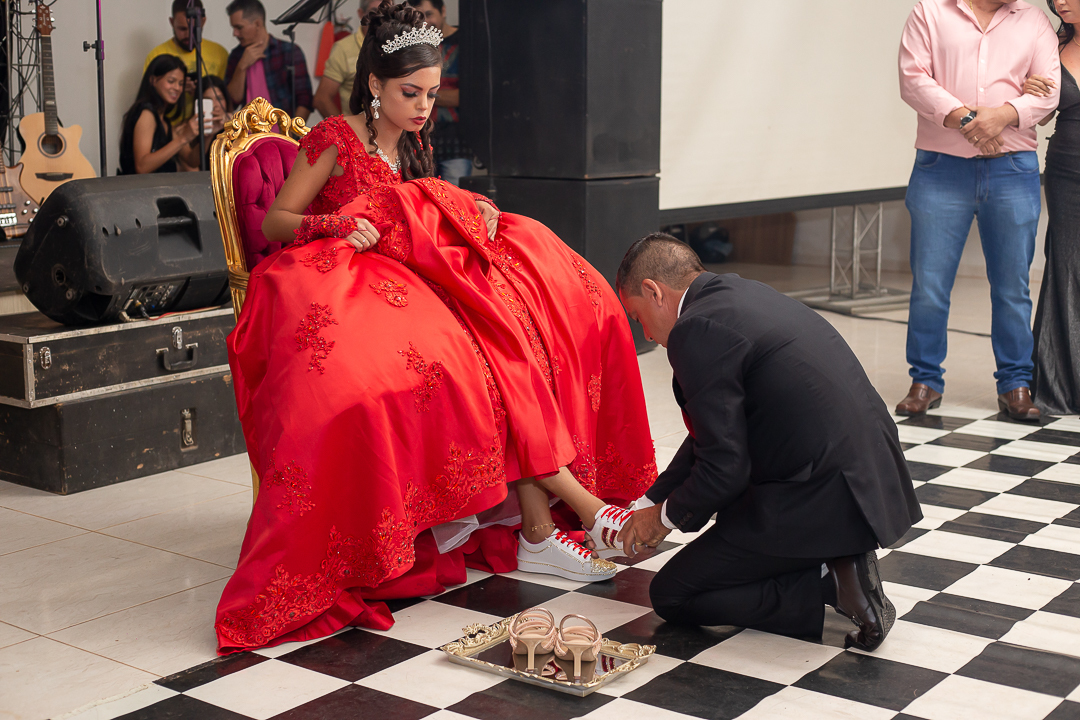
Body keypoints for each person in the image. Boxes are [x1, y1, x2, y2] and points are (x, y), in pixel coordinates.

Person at [214, 1, 656, 655]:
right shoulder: (333, 138)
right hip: (347, 280)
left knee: (521, 331)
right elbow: (276, 222)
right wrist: (334, 224)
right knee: (477, 350)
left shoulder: (409, 144)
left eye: (430, 92)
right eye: (409, 93)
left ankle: (538, 521)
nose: (424, 105)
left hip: (409, 285)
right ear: (374, 85)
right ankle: (573, 512)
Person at [615, 234, 922, 650]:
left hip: (817, 494)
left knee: (673, 594)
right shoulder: (738, 293)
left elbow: (724, 468)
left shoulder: (695, 330)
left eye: (638, 318)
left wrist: (663, 518)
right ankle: (838, 558)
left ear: (654, 291)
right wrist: (647, 502)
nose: (647, 335)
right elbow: (713, 435)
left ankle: (827, 585)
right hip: (863, 474)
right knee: (726, 533)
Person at [895, 0, 1061, 422]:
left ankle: (1015, 384)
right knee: (930, 284)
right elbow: (914, 80)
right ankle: (925, 381)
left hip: (1013, 169)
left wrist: (1003, 114)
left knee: (1012, 286)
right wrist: (971, 120)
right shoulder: (929, 13)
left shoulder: (1034, 20)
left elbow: (1050, 91)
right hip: (939, 168)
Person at [1029, 0, 1080, 414]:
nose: (1059, 2)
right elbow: (1043, 116)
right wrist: (1029, 91)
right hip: (1065, 170)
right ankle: (1060, 380)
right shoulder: (1054, 44)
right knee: (1065, 264)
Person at [406, 0, 472, 186]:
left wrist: (418, 94)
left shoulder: (466, 42)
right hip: (417, 142)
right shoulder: (412, 44)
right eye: (419, 16)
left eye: (429, 14)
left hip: (457, 142)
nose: (424, 21)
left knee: (454, 205)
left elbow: (471, 97)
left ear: (443, 11)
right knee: (422, 205)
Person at [144, 0, 230, 126]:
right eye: (183, 29)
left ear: (203, 21)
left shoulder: (219, 53)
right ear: (172, 22)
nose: (189, 35)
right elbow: (148, 99)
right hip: (171, 131)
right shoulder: (157, 55)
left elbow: (227, 97)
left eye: (195, 29)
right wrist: (177, 88)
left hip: (210, 129)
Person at [224, 0, 313, 120]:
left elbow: (305, 99)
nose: (235, 33)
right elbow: (232, 102)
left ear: (257, 24)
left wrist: (292, 133)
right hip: (249, 136)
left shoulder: (288, 51)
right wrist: (241, 66)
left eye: (239, 27)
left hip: (283, 133)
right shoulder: (236, 55)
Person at [118, 55, 202, 175]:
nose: (177, 88)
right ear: (153, 80)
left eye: (181, 84)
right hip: (138, 191)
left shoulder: (164, 120)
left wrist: (208, 136)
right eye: (171, 81)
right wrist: (183, 138)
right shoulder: (146, 113)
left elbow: (191, 160)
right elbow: (142, 167)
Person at [314, 0, 381, 118]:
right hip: (359, 130)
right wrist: (346, 130)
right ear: (361, 13)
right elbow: (321, 99)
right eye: (374, 12)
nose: (381, 17)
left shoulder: (402, 46)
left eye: (386, 12)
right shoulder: (343, 48)